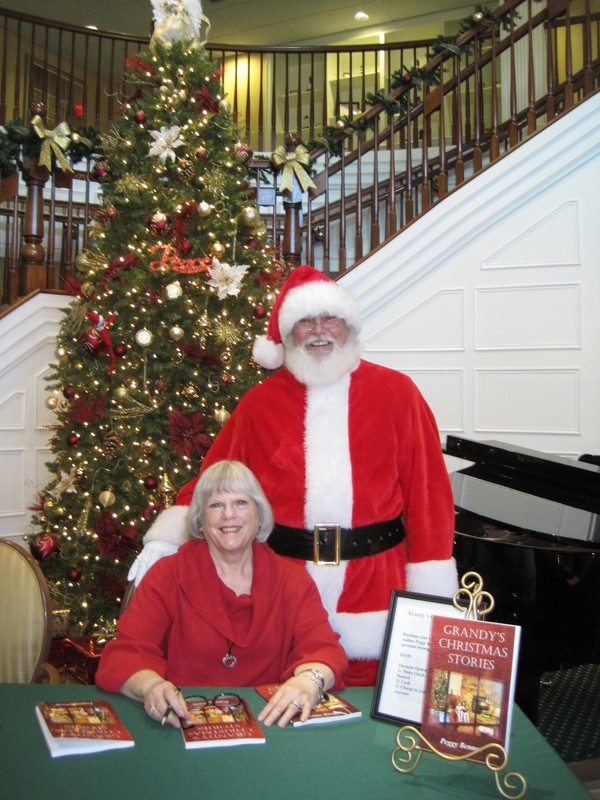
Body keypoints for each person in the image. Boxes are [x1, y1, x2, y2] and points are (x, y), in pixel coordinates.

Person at [131, 265, 458, 685]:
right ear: (288, 334)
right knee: (280, 703)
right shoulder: (259, 404)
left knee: (370, 715)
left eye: (330, 319)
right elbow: (214, 476)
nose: (319, 331)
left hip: (376, 588)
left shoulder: (399, 395)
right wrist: (165, 539)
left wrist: (430, 595)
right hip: (282, 586)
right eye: (305, 321)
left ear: (349, 327)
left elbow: (429, 498)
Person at [96, 460, 348, 728]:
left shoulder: (292, 580)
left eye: (241, 503)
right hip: (185, 726)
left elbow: (323, 650)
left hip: (271, 724)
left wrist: (308, 681)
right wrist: (152, 687)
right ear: (199, 520)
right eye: (215, 505)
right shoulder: (166, 576)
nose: (229, 514)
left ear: (260, 516)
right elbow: (125, 655)